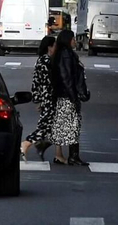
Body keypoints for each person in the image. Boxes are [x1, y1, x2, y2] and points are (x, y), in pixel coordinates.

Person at [47, 28, 88, 166]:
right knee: (73, 125)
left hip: (63, 95)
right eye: (73, 39)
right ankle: (72, 156)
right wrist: (73, 97)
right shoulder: (66, 55)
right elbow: (67, 77)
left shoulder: (64, 54)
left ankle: (68, 155)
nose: (75, 41)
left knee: (68, 125)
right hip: (66, 96)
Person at [20, 33, 58, 160]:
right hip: (50, 97)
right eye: (55, 45)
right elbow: (49, 81)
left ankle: (41, 145)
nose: (56, 48)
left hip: (46, 97)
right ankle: (26, 143)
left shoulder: (41, 60)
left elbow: (36, 82)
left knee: (49, 124)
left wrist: (39, 99)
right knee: (46, 125)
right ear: (50, 47)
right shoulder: (47, 61)